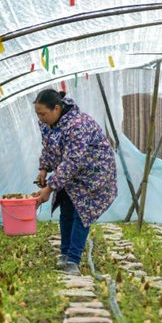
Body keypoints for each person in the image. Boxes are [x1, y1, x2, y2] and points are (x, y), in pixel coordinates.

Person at [34, 89, 117, 275]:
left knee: (81, 213)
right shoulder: (47, 123)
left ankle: (73, 260)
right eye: (37, 114)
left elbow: (73, 161)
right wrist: (43, 169)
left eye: (43, 114)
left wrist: (50, 187)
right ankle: (64, 254)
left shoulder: (77, 124)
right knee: (66, 209)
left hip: (93, 174)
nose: (40, 118)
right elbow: (48, 146)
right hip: (70, 172)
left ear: (56, 108)